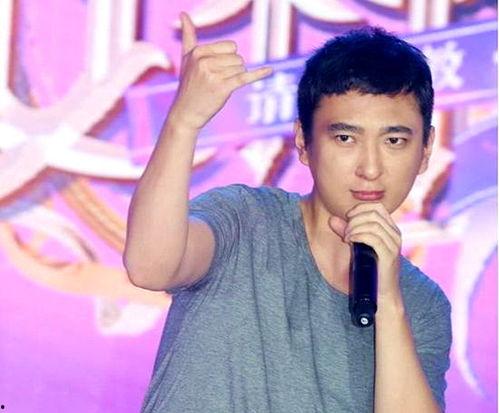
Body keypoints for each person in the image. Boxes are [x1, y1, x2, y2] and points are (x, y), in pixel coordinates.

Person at [124, 12, 452, 413]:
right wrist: (184, 121)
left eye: (394, 141)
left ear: (425, 149)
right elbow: (150, 268)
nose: (370, 167)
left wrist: (389, 300)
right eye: (345, 138)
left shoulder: (422, 303)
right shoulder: (245, 220)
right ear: (302, 141)